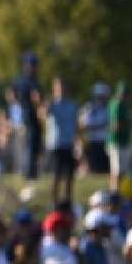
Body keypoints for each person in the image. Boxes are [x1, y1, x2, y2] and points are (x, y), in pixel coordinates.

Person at [42, 77, 78, 205]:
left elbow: (75, 124)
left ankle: (68, 200)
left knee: (70, 175)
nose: (61, 90)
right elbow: (43, 115)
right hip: (56, 144)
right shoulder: (52, 104)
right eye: (58, 87)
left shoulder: (72, 105)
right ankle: (54, 201)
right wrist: (45, 104)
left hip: (69, 143)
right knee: (57, 174)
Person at [10, 52, 43, 179]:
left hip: (27, 115)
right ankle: (29, 172)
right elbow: (36, 98)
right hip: (28, 115)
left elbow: (12, 95)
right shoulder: (28, 80)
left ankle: (29, 171)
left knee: (30, 144)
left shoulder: (23, 79)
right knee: (29, 144)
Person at [78, 82, 111, 175]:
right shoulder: (89, 108)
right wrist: (101, 124)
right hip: (93, 142)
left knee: (105, 169)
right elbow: (84, 124)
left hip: (105, 142)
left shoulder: (108, 108)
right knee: (95, 168)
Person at [107, 81, 132, 191]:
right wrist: (128, 121)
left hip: (124, 142)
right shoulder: (116, 105)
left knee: (124, 171)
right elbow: (115, 126)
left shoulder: (124, 106)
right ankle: (114, 193)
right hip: (116, 142)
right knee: (117, 171)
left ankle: (120, 193)